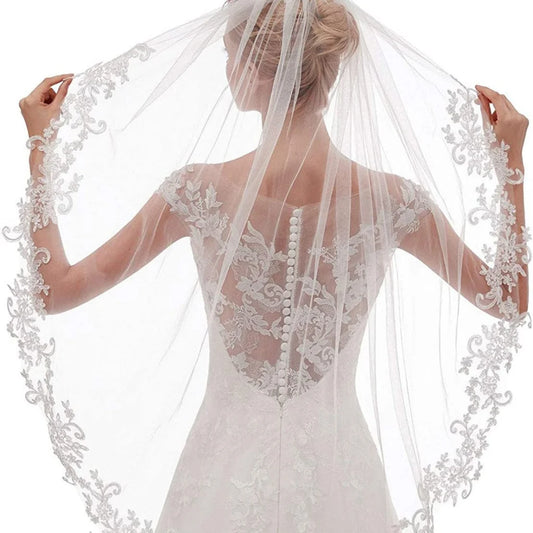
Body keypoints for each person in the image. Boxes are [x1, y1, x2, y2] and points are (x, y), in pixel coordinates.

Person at [9, 0, 529, 531]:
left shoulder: (197, 192)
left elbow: (55, 291)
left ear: (260, 70)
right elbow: (510, 299)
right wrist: (510, 163)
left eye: (229, 54)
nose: (225, 67)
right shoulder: (393, 202)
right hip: (339, 473)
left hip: (222, 472)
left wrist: (39, 150)